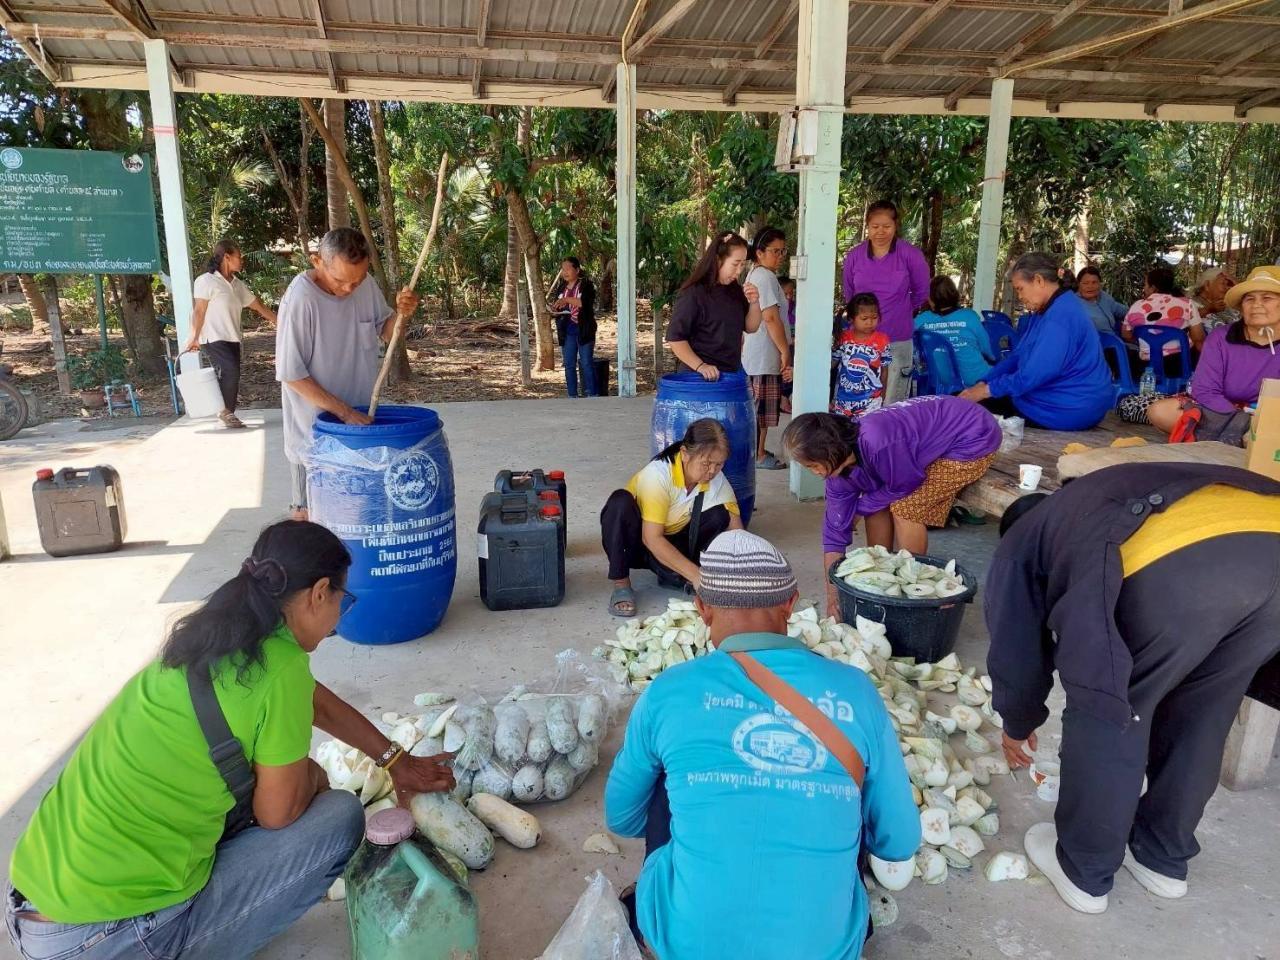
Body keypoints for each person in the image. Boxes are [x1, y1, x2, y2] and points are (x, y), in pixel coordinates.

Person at [4, 520, 455, 960]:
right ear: (320, 593)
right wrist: (310, 776)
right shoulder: (280, 670)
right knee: (339, 817)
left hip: (32, 896)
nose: (341, 612)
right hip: (105, 937)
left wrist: (393, 759)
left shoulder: (213, 634)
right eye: (343, 599)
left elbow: (312, 701)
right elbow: (277, 814)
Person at [605, 529, 920, 960]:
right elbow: (898, 842)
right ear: (790, 604)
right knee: (854, 793)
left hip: (687, 945)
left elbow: (621, 817)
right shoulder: (855, 691)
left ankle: (664, 918)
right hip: (824, 949)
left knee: (666, 772)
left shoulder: (669, 691)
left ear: (702, 609)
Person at [985, 464, 1280, 917]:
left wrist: (1017, 720)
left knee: (1113, 705)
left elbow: (1015, 640)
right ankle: (1162, 859)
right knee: (1204, 712)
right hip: (1271, 551)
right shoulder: (1090, 500)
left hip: (1187, 565)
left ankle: (1084, 872)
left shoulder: (1024, 542)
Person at [783, 399, 1000, 617]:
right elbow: (834, 534)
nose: (814, 472)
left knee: (906, 507)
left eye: (812, 465)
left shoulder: (878, 441)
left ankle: (913, 585)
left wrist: (859, 509)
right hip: (936, 436)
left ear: (830, 451)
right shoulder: (838, 475)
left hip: (973, 436)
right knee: (874, 503)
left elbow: (906, 483)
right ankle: (882, 572)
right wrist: (833, 598)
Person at [275, 228, 420, 520]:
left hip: (356, 432)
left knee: (355, 521)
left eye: (357, 280)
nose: (348, 290)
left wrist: (401, 316)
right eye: (339, 280)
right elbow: (291, 374)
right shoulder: (301, 299)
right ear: (317, 262)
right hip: (313, 437)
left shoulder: (363, 285)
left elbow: (385, 331)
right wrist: (344, 413)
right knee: (311, 522)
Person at [601, 419, 743, 617]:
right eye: (706, 463)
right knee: (619, 502)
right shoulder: (658, 475)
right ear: (685, 454)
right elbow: (651, 538)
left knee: (721, 515)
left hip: (675, 542)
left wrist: (746, 574)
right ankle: (621, 584)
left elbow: (737, 533)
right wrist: (697, 576)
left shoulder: (716, 480)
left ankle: (677, 574)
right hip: (640, 545)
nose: (712, 471)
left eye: (718, 464)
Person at [958, 252, 1113, 431]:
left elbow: (1031, 376)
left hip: (1069, 409)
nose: (1019, 296)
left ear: (1038, 281)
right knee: (965, 400)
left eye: (1020, 289)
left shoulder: (1060, 317)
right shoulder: (1048, 309)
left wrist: (986, 391)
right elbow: (1017, 356)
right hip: (1068, 403)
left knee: (964, 409)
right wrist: (984, 382)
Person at [1141, 265, 1280, 439]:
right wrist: (1242, 420)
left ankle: (1238, 437)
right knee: (1161, 411)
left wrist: (1263, 418)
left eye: (1267, 298)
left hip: (1271, 416)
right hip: (1224, 410)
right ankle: (1245, 437)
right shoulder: (1221, 337)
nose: (1256, 305)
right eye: (1249, 299)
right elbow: (1204, 390)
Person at [841, 200, 930, 406]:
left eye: (887, 226)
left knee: (893, 402)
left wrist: (901, 310)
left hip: (897, 338)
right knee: (860, 399)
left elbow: (921, 292)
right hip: (860, 341)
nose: (880, 232)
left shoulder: (911, 255)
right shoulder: (855, 256)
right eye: (875, 227)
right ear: (867, 226)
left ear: (896, 226)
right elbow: (849, 293)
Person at [186, 239, 278, 429]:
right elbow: (199, 311)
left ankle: (225, 411)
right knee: (230, 371)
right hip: (213, 337)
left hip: (233, 338)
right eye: (239, 256)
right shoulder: (206, 281)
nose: (242, 260)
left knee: (231, 375)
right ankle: (225, 412)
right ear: (227, 257)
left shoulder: (237, 285)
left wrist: (282, 323)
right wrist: (193, 337)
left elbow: (259, 306)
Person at [666, 231, 762, 379]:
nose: (739, 271)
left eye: (743, 265)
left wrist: (755, 302)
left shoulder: (735, 291)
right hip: (698, 377)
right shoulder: (693, 293)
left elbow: (751, 327)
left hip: (731, 374)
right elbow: (675, 338)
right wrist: (701, 366)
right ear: (718, 260)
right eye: (735, 264)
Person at [741, 228, 792, 470]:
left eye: (783, 250)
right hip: (764, 354)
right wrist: (785, 350)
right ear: (759, 252)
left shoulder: (756, 274)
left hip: (756, 354)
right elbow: (771, 317)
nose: (780, 255)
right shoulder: (765, 277)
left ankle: (758, 450)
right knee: (761, 409)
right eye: (775, 251)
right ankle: (758, 454)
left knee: (760, 407)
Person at [913, 275, 995, 388]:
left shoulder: (922, 319)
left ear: (932, 298)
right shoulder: (969, 316)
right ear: (954, 293)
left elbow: (906, 335)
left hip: (942, 382)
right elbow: (987, 349)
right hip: (976, 379)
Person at [1123, 265, 1205, 368]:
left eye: (1145, 285)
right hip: (1180, 364)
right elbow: (1199, 338)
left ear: (1153, 288)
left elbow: (1126, 334)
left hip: (1148, 365)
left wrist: (1147, 340)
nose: (1144, 288)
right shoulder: (1186, 304)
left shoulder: (1136, 306)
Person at [831, 293, 892, 418]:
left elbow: (885, 370)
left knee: (867, 431)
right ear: (851, 319)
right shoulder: (843, 338)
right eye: (864, 319)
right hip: (843, 400)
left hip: (871, 401)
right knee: (845, 433)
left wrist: (883, 394)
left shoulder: (883, 340)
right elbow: (832, 364)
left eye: (874, 317)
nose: (870, 322)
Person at [548, 257, 597, 398]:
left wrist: (567, 300)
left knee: (586, 362)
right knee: (569, 364)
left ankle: (592, 394)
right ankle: (572, 395)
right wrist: (555, 308)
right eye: (563, 269)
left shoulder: (586, 285)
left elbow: (585, 304)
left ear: (577, 270)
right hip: (567, 330)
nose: (565, 272)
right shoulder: (561, 287)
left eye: (568, 268)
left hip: (584, 329)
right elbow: (559, 304)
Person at [1074, 264, 1128, 336]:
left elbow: (1122, 310)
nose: (1090, 286)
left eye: (1094, 282)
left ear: (1100, 284)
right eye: (1085, 283)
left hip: (1114, 338)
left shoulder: (1103, 296)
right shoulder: (1073, 303)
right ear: (1078, 285)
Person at [1191, 266, 1239, 335]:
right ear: (1207, 285)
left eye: (1229, 285)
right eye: (1223, 284)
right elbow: (1185, 321)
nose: (1228, 288)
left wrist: (1238, 286)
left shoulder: (1228, 305)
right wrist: (1208, 309)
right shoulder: (1191, 304)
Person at [779, 276, 797, 413]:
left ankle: (786, 396)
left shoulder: (797, 308)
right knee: (786, 369)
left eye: (792, 293)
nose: (789, 297)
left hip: (794, 344)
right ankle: (784, 398)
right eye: (786, 294)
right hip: (783, 345)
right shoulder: (777, 309)